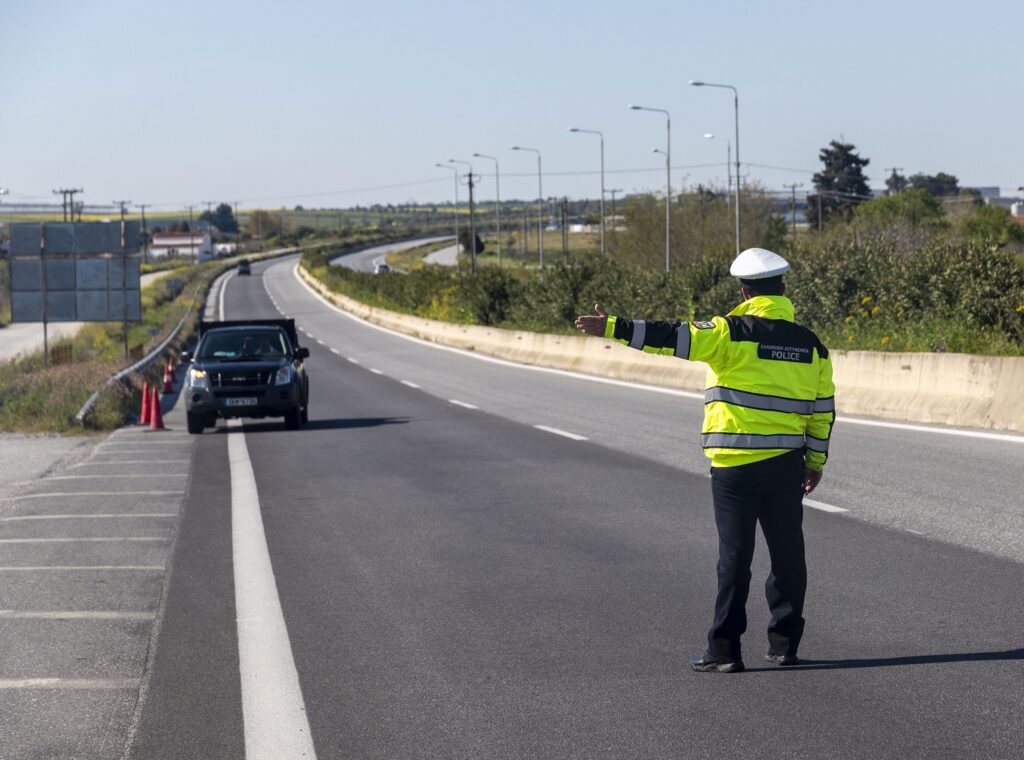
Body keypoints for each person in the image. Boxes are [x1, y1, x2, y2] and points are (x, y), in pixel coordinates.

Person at [574, 248, 835, 673]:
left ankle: (725, 651)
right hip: (787, 464)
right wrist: (815, 461)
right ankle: (785, 644)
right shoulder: (813, 346)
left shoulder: (730, 331)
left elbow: (669, 336)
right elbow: (823, 410)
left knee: (735, 557)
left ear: (745, 291)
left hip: (734, 466)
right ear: (783, 289)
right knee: (788, 555)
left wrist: (613, 327)